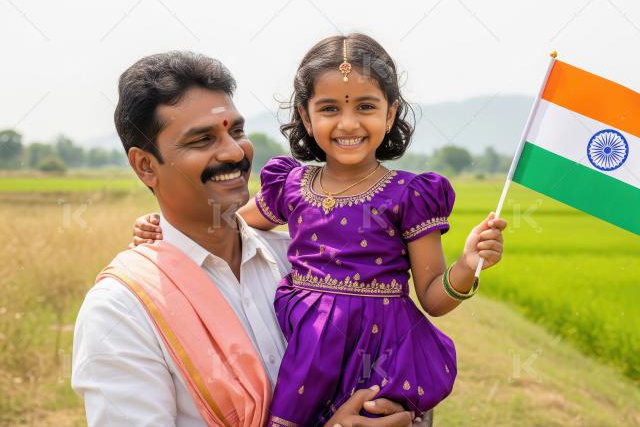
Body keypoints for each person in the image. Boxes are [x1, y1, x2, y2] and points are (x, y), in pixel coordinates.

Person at [133, 34, 507, 425]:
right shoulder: (291, 185)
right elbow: (225, 222)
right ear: (306, 116)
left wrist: (467, 264)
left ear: (391, 113)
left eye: (366, 106)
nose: (348, 123)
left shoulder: (410, 195)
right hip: (309, 343)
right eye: (329, 108)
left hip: (379, 346)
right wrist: (158, 226)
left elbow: (432, 299)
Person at [72, 51, 417, 427]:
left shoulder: (302, 261)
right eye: (202, 140)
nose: (234, 152)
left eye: (236, 131)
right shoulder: (121, 311)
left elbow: (388, 357)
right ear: (146, 166)